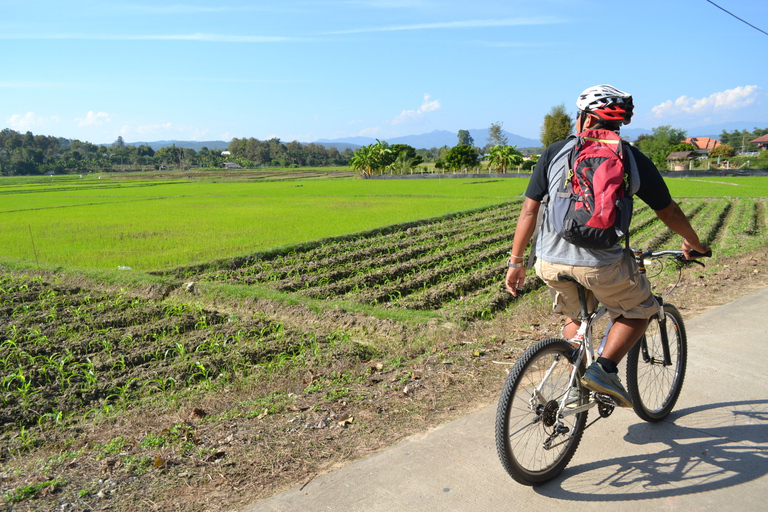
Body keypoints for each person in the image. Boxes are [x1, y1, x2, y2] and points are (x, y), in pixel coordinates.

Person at [505, 84, 710, 408]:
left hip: (548, 260)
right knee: (640, 311)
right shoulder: (630, 157)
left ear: (585, 119)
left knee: (577, 318)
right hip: (599, 265)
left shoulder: (555, 151)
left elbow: (529, 210)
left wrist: (516, 263)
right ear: (617, 123)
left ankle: (575, 387)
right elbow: (668, 211)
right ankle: (604, 370)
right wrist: (693, 242)